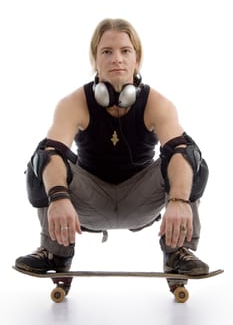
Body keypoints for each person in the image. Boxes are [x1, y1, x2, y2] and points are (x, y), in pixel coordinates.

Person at [15, 18, 209, 276]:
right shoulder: (74, 103)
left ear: (136, 59)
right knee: (42, 160)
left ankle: (178, 252)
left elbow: (182, 151)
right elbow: (51, 153)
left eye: (125, 51)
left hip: (141, 199)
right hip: (87, 200)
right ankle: (55, 252)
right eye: (107, 51)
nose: (117, 59)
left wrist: (179, 199)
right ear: (95, 60)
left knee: (189, 157)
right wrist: (59, 196)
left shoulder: (156, 103)